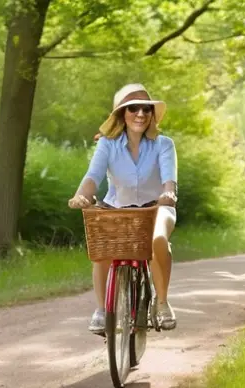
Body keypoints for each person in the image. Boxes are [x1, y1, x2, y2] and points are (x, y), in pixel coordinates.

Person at [68, 83, 178, 334]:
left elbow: (168, 178)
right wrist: (81, 196)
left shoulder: (164, 144)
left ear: (151, 115)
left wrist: (169, 192)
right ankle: (101, 309)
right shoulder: (107, 144)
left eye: (146, 109)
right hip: (117, 208)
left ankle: (162, 303)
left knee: (159, 239)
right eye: (133, 109)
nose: (140, 114)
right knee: (102, 246)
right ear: (122, 114)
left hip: (156, 208)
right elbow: (92, 177)